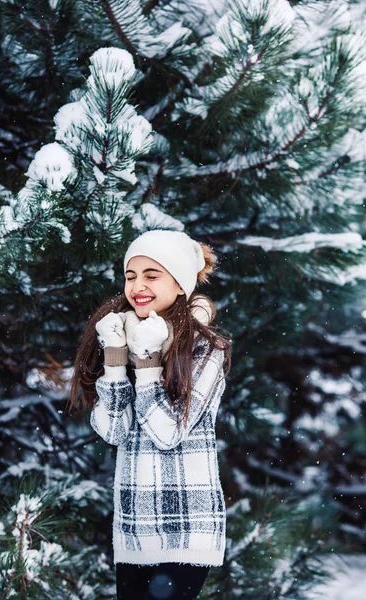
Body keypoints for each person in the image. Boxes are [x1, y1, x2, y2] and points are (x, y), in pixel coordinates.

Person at [69, 229, 232, 600]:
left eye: (152, 275)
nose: (137, 285)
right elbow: (113, 429)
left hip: (187, 524)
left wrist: (146, 363)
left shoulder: (207, 349)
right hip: (132, 526)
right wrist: (114, 358)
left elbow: (167, 432)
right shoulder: (122, 335)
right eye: (131, 275)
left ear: (179, 285)